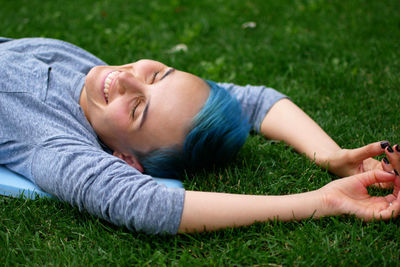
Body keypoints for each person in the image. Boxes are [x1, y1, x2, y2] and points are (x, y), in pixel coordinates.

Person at [0, 37, 399, 234]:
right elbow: (255, 102)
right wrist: (329, 155)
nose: (124, 78)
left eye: (138, 109)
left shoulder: (56, 144)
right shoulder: (102, 84)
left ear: (123, 159)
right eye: (157, 74)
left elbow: (147, 204)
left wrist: (323, 200)